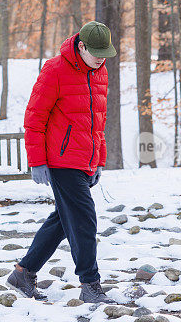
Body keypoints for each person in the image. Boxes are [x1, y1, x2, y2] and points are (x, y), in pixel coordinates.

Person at [7, 21, 117, 304]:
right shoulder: (55, 69)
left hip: (84, 159)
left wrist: (99, 160)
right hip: (60, 159)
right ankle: (90, 284)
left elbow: (98, 123)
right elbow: (35, 118)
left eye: (105, 53)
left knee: (63, 219)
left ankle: (23, 272)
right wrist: (37, 161)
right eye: (97, 53)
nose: (102, 58)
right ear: (81, 47)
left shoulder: (100, 72)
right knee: (84, 219)